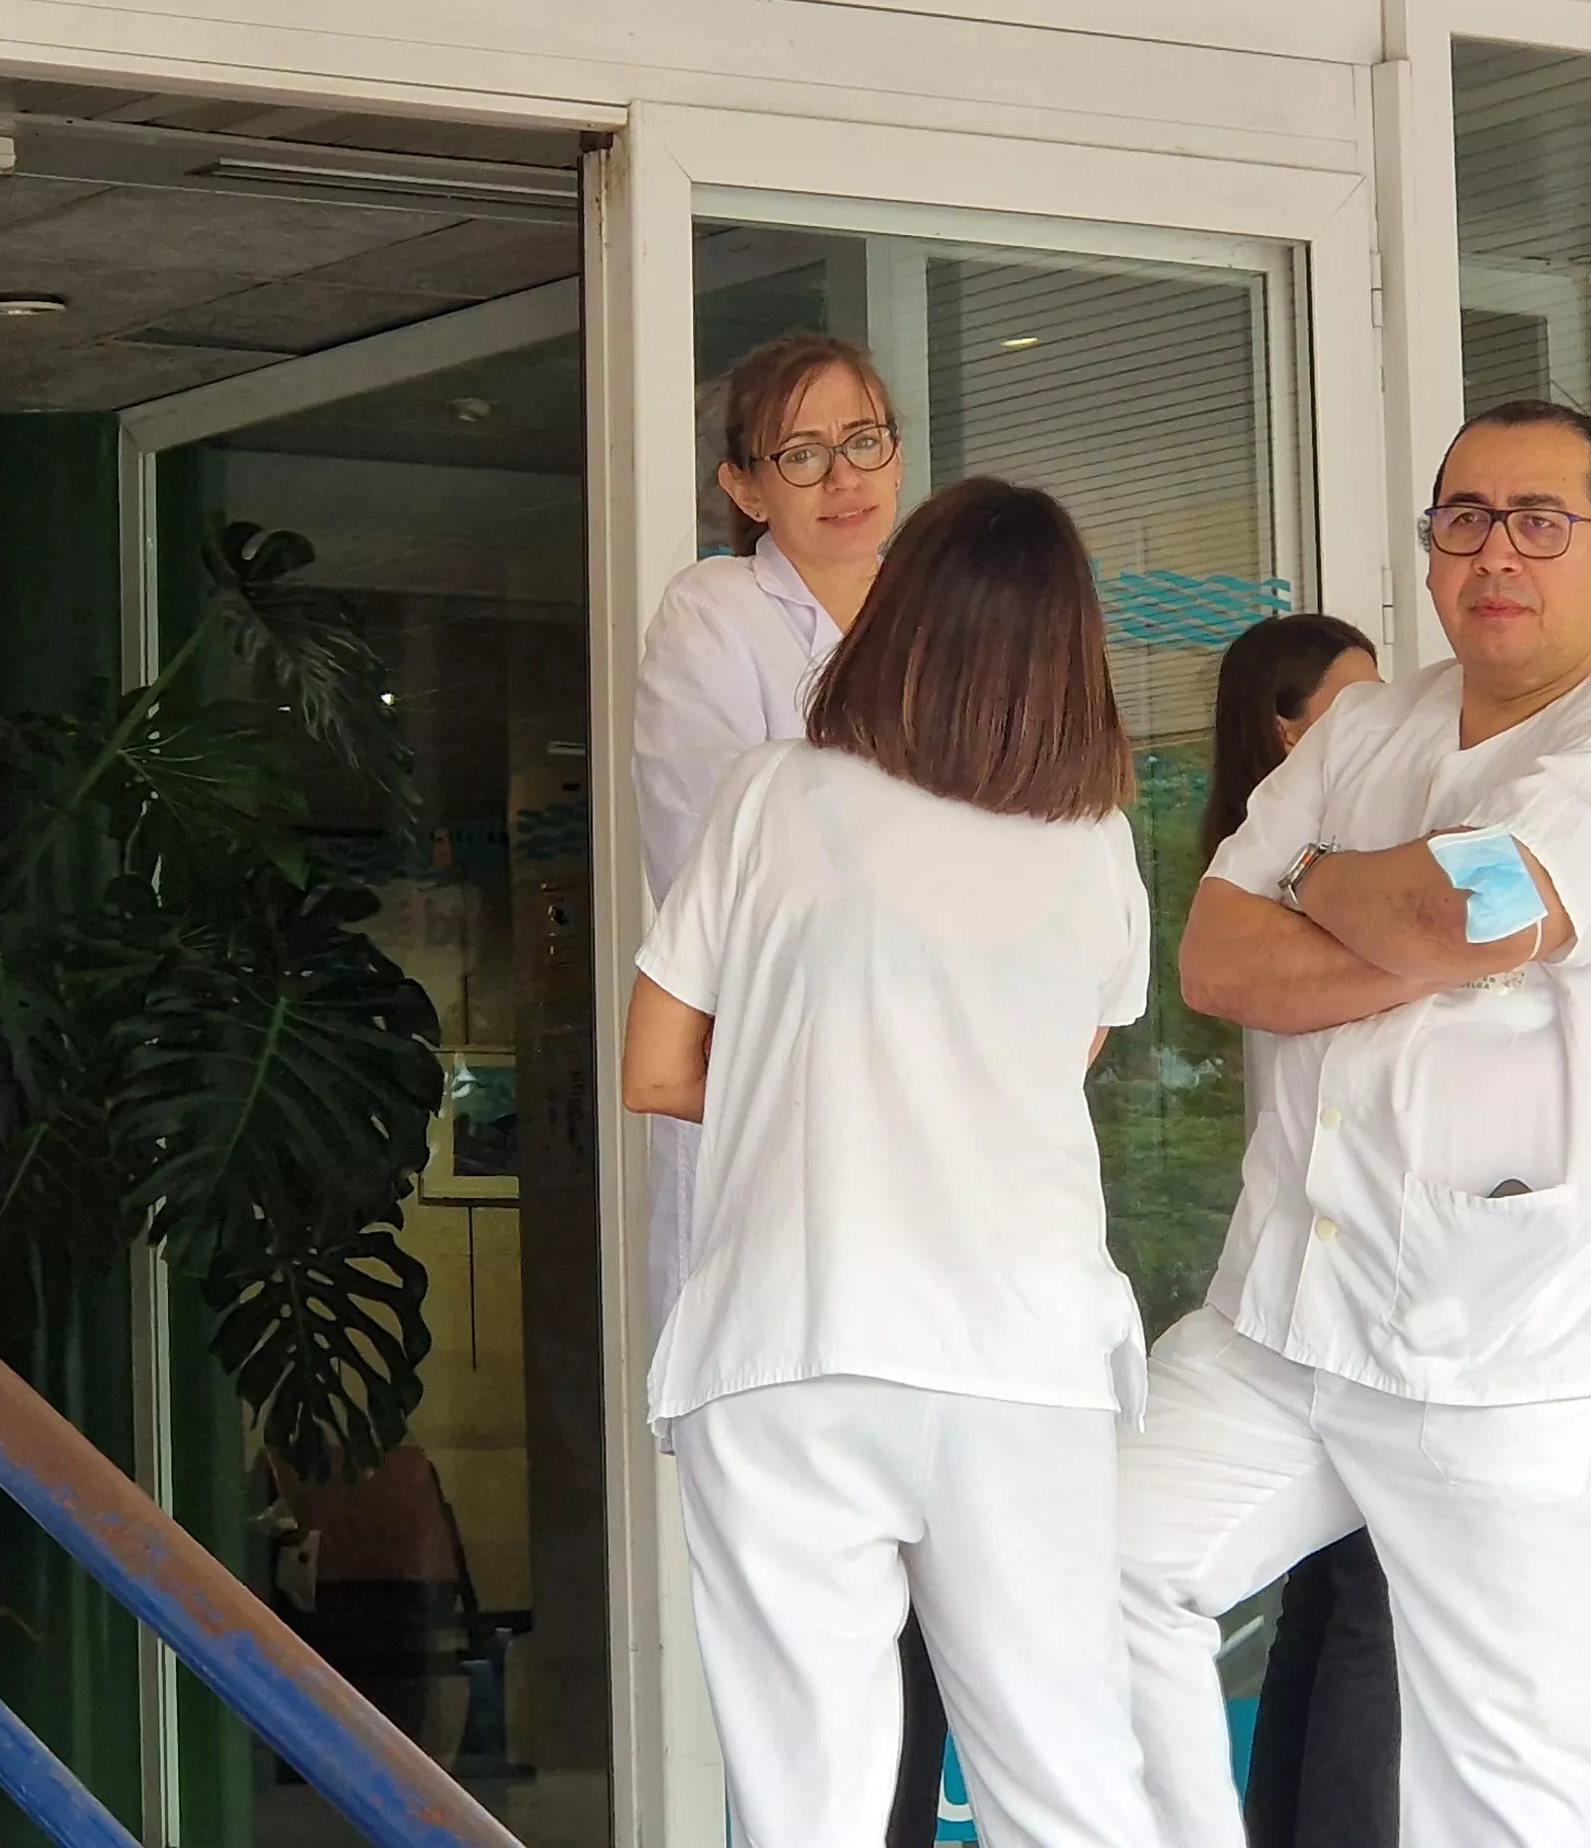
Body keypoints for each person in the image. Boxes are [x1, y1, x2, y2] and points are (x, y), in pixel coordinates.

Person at [1114, 400, 1591, 1848]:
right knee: (1081, 1573)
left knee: (1499, 1783)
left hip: (1526, 1333)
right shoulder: (1370, 727)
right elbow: (1215, 959)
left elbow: (1474, 910)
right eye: (1463, 519)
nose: (1496, 553)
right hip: (1291, 1314)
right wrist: (1413, 919)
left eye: (1540, 522)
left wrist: (1335, 887)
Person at [622, 477, 1155, 1848]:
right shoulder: (1093, 842)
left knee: (811, 1804)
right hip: (1021, 1357)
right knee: (1068, 1786)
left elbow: (659, 1066)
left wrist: (810, 1100)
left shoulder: (774, 795)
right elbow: (1047, 1074)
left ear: (898, 615)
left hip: (795, 1337)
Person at [629, 329, 953, 1843]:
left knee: (936, 1631)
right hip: (778, 1163)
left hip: (939, 1183)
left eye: (869, 441)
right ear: (741, 483)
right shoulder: (712, 617)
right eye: (803, 453)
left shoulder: (951, 616)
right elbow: (736, 873)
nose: (844, 479)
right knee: (807, 1660)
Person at [1194, 614, 1404, 1848]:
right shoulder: (1278, 871)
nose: (1385, 727)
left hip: (1331, 1278)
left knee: (1336, 1605)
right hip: (1347, 1281)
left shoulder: (1294, 865)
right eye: (1355, 703)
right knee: (1372, 1610)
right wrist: (1444, 948)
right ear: (1287, 726)